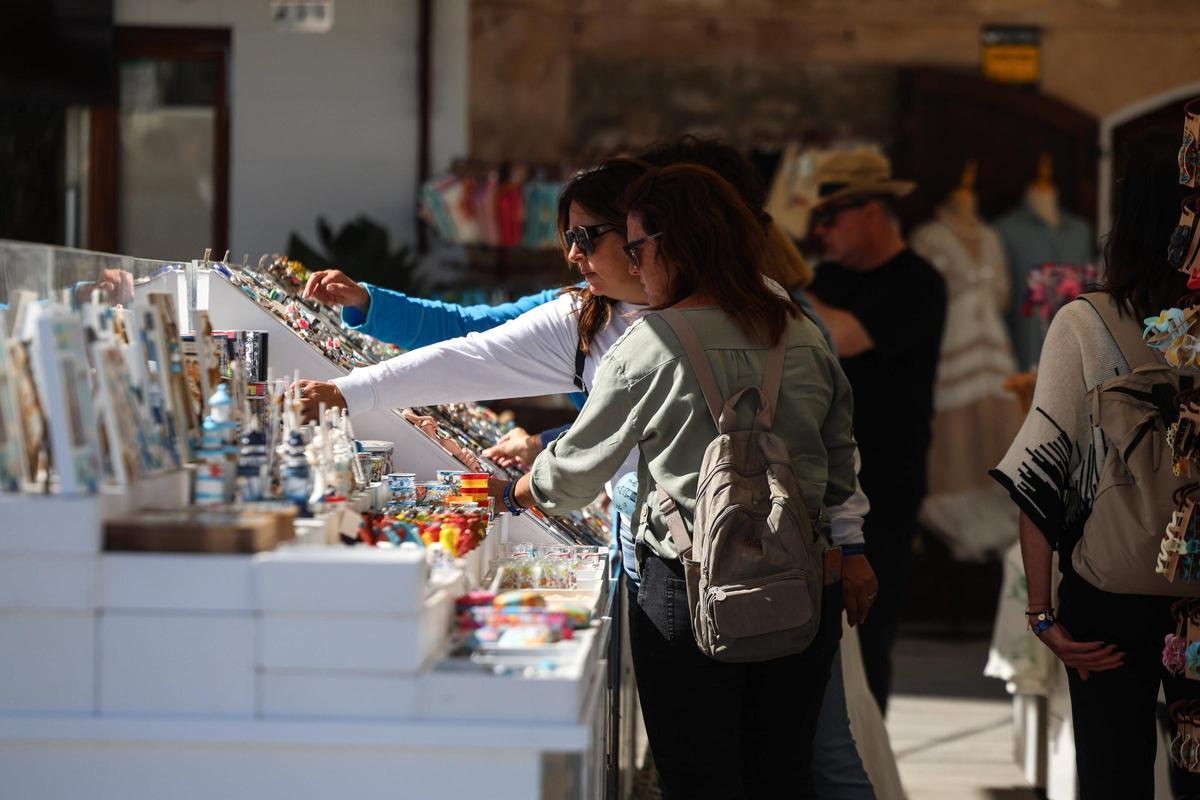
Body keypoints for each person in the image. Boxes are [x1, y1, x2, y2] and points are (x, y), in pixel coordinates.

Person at [491, 164, 860, 796]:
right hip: (802, 576)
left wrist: (516, 491)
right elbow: (841, 458)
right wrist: (848, 551)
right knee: (781, 769)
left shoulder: (653, 341)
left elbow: (575, 472)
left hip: (687, 585)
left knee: (697, 773)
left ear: (675, 247)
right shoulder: (797, 329)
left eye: (637, 249)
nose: (633, 267)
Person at [991, 129, 1200, 799]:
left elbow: (1040, 481)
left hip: (1111, 592)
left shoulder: (1088, 323)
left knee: (1113, 776)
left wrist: (1043, 618)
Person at [807, 150, 948, 715]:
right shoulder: (829, 278)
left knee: (870, 630)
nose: (820, 231)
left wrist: (792, 285)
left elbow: (846, 336)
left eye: (831, 217)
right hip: (824, 480)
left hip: (887, 484)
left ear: (870, 212)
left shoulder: (918, 283)